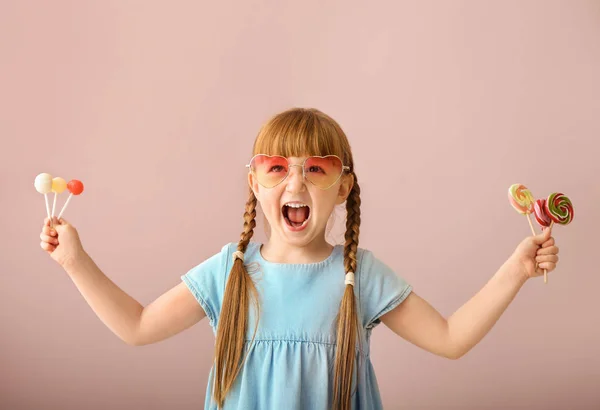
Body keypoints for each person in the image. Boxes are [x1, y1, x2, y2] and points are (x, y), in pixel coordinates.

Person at [39, 107, 559, 410]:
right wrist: (75, 262)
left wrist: (515, 270)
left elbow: (450, 339)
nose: (295, 183)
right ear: (254, 182)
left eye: (315, 168)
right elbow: (137, 325)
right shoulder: (230, 271)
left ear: (343, 185)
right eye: (276, 168)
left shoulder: (360, 277)